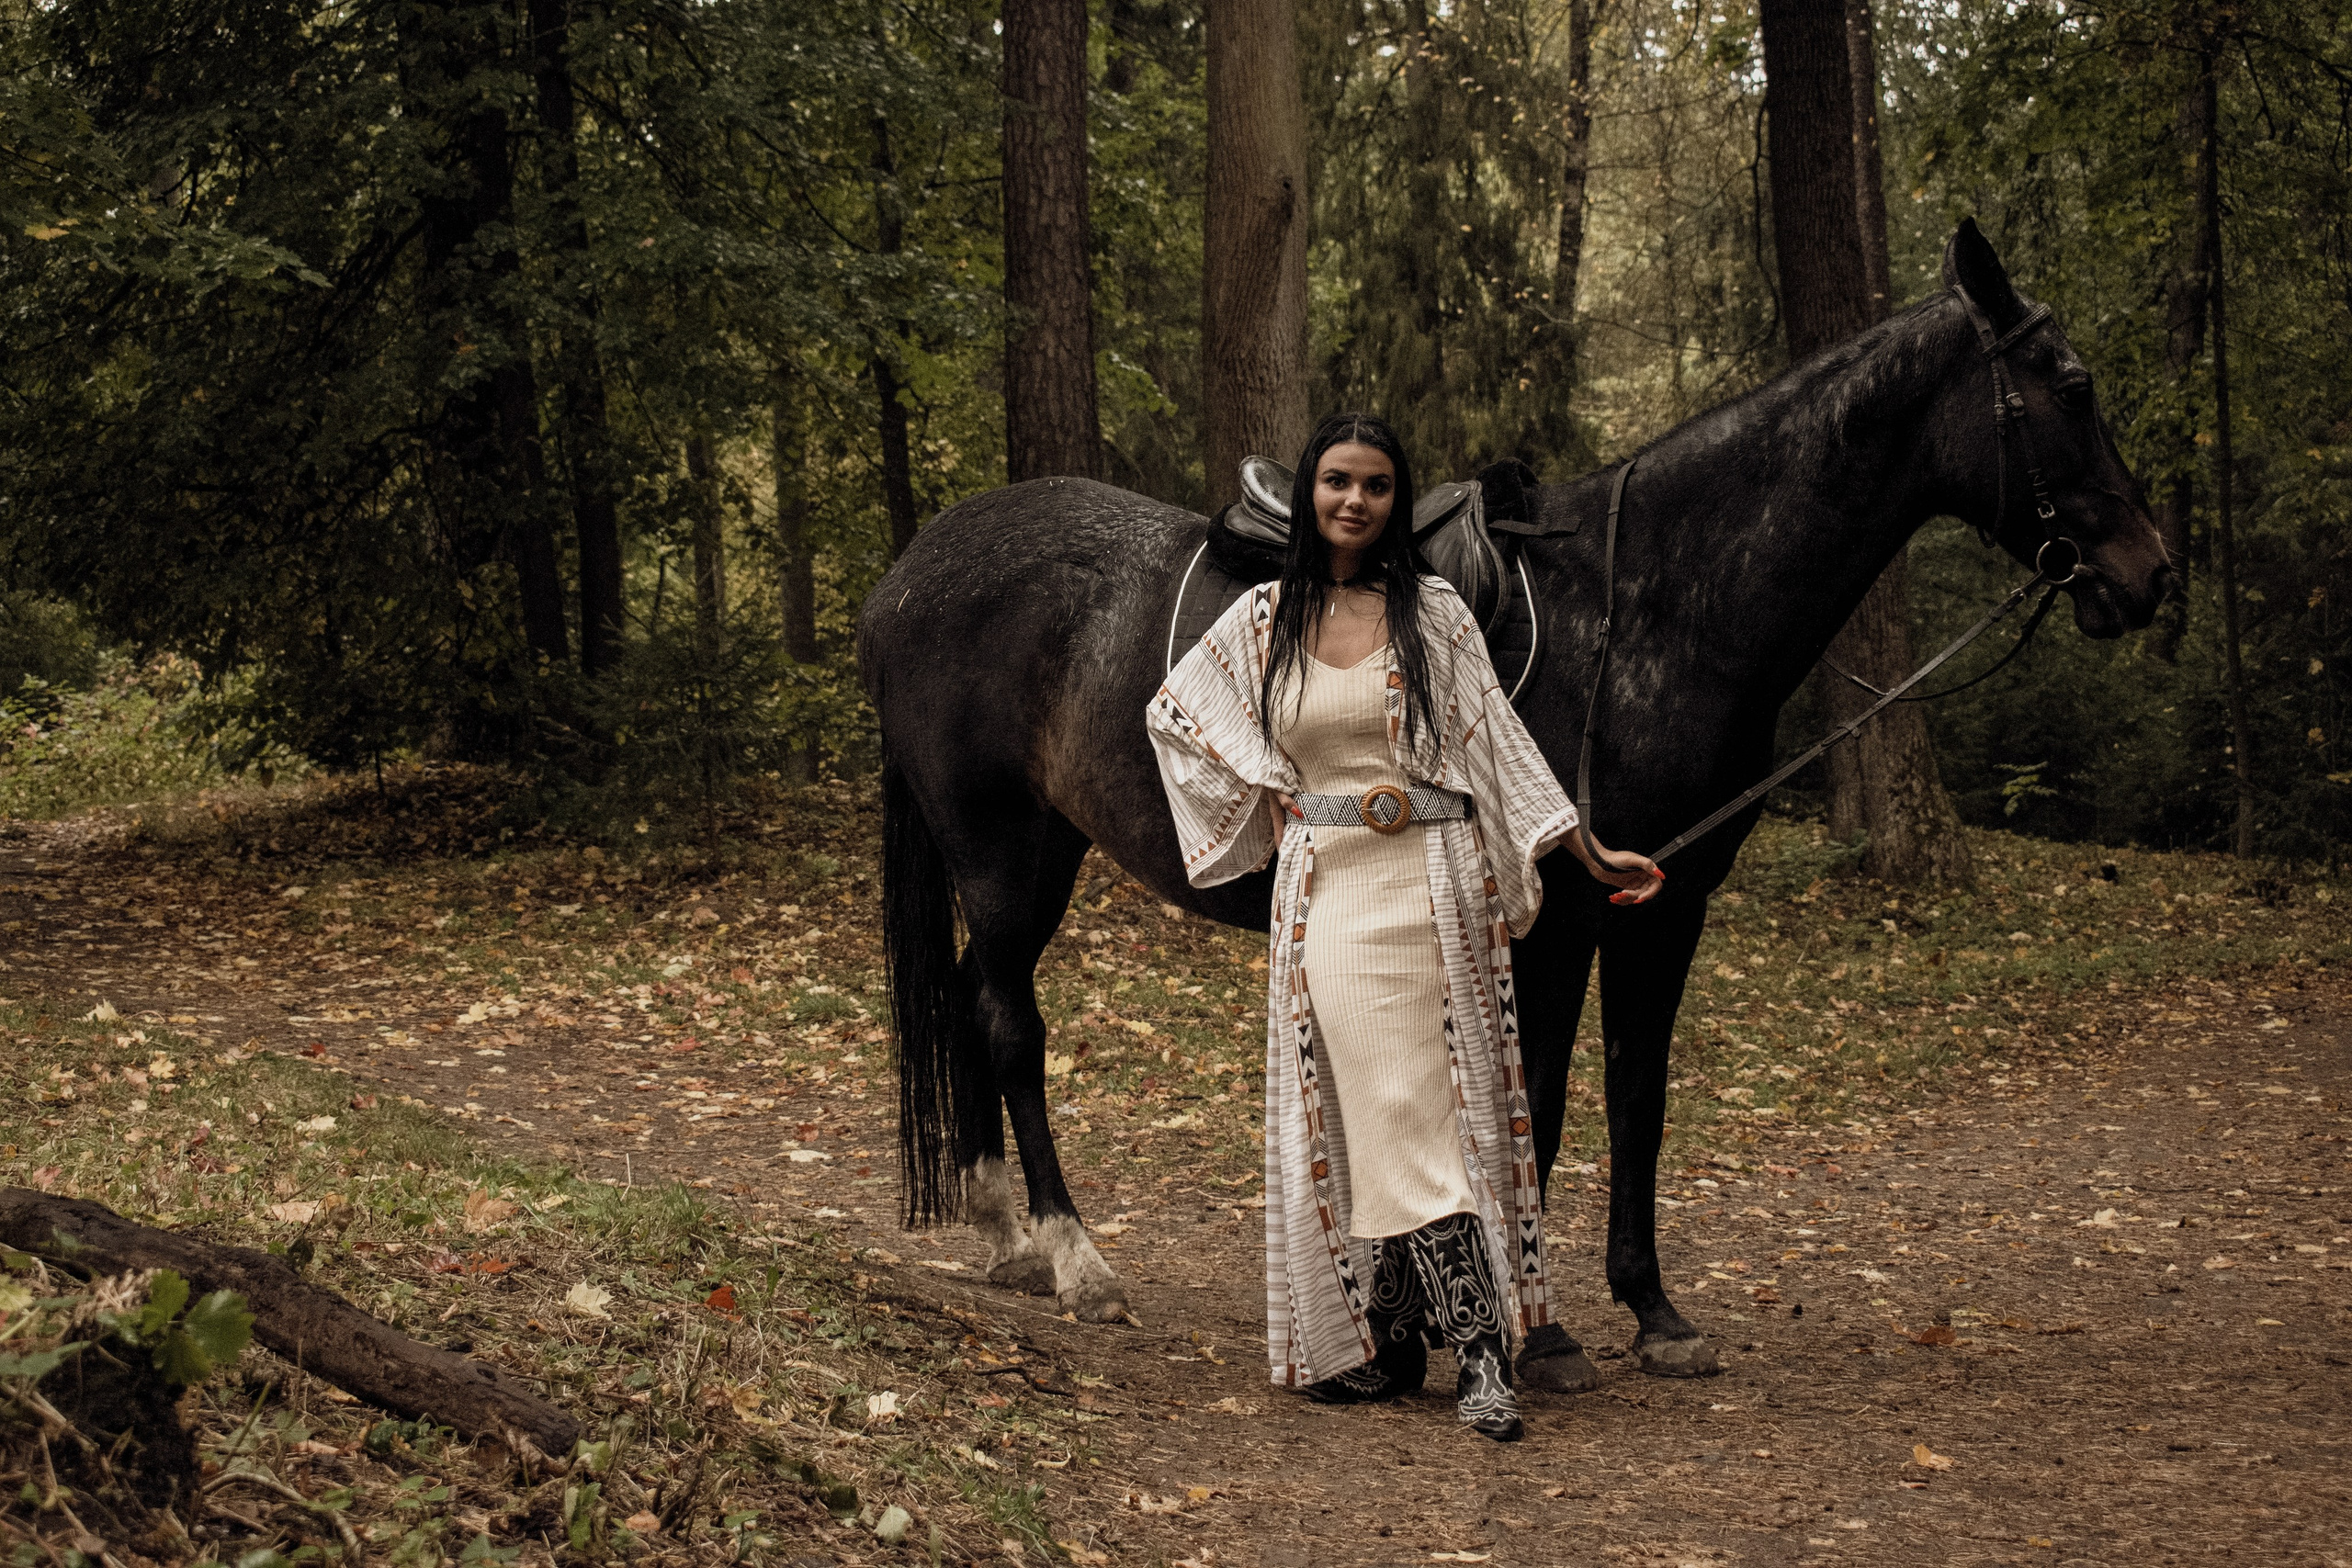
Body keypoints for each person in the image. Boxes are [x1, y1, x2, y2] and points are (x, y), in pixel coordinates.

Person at [1145, 412, 1662, 1440]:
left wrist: (1586, 852)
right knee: (1380, 1105)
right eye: (1336, 481)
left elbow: (1495, 745)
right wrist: (1264, 784)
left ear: (1395, 502)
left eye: (1376, 486)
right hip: (1328, 886)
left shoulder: (1432, 613)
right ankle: (1438, 1342)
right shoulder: (1262, 619)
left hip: (1436, 882)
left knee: (1424, 1109)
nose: (1354, 501)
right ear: (1309, 494)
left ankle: (1436, 1344)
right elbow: (1178, 711)